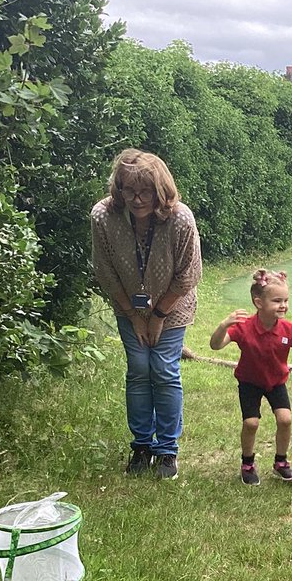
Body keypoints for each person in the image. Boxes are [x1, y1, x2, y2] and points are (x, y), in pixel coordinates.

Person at [91, 148, 203, 480]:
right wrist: (133, 314)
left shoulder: (180, 217)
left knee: (164, 370)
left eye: (145, 191)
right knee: (139, 369)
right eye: (129, 190)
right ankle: (141, 446)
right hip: (128, 303)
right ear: (119, 188)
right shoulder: (103, 216)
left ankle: (167, 450)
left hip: (173, 303)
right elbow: (105, 270)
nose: (137, 199)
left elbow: (188, 273)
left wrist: (157, 316)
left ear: (159, 189)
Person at [210, 269, 292, 484]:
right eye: (277, 300)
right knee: (251, 423)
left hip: (276, 382)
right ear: (258, 303)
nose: (283, 305)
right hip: (249, 382)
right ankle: (247, 464)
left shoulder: (289, 329)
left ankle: (281, 462)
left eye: (285, 300)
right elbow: (216, 345)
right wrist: (224, 325)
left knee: (285, 419)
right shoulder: (244, 327)